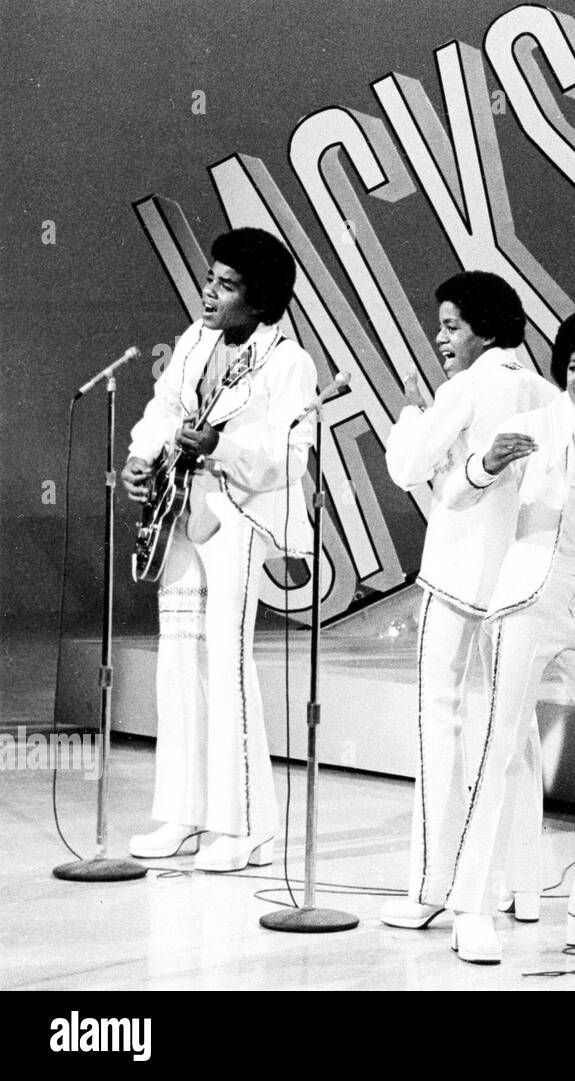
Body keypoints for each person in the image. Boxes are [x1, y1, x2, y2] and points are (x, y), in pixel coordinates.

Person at [438, 306, 575, 964]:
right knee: (500, 743)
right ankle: (471, 908)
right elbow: (454, 494)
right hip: (530, 598)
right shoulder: (532, 426)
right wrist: (484, 462)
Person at [122, 227, 316, 872]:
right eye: (212, 276)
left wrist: (220, 449)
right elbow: (162, 408)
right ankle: (183, 814)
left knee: (228, 665)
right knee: (178, 664)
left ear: (260, 302)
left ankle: (246, 827)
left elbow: (286, 456)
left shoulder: (287, 362)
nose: (210, 290)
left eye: (227, 285)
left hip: (236, 517)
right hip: (178, 511)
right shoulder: (195, 339)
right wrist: (141, 459)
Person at [382, 271, 557, 932]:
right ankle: (524, 884)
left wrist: (408, 412)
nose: (440, 336)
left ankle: (433, 885)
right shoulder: (544, 393)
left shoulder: (464, 389)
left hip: (458, 584)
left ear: (485, 328)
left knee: (442, 724)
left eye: (451, 325)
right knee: (513, 730)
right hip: (520, 590)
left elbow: (407, 467)